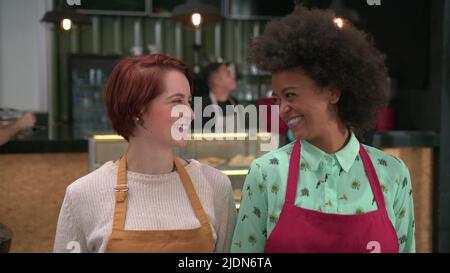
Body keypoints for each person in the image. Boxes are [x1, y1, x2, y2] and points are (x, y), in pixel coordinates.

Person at [231, 6, 415, 253]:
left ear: (333, 91)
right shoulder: (266, 174)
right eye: (277, 99)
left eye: (291, 95)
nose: (282, 109)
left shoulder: (393, 174)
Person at [54, 54, 237, 253]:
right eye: (177, 101)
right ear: (137, 110)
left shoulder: (216, 186)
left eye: (189, 102)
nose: (191, 114)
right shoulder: (83, 195)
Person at [194, 61, 239, 132]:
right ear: (216, 81)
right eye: (228, 73)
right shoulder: (202, 108)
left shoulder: (235, 103)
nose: (234, 76)